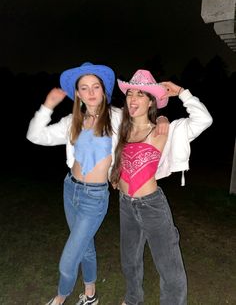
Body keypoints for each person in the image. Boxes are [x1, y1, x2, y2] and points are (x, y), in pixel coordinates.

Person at [26, 62, 168, 305]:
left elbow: (143, 117)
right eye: (84, 88)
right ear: (78, 94)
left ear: (103, 90)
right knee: (85, 246)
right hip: (70, 189)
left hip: (95, 197)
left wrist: (162, 115)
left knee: (69, 258)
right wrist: (47, 106)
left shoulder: (117, 117)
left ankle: (60, 297)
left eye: (95, 87)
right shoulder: (73, 121)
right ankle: (90, 294)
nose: (91, 92)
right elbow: (35, 136)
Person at [110, 69, 213, 305]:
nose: (133, 99)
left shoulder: (165, 129)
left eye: (141, 94)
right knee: (129, 261)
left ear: (151, 101)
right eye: (130, 93)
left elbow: (204, 120)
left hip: (152, 205)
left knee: (169, 266)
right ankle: (132, 299)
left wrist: (182, 93)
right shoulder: (122, 127)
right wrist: (113, 174)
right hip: (126, 204)